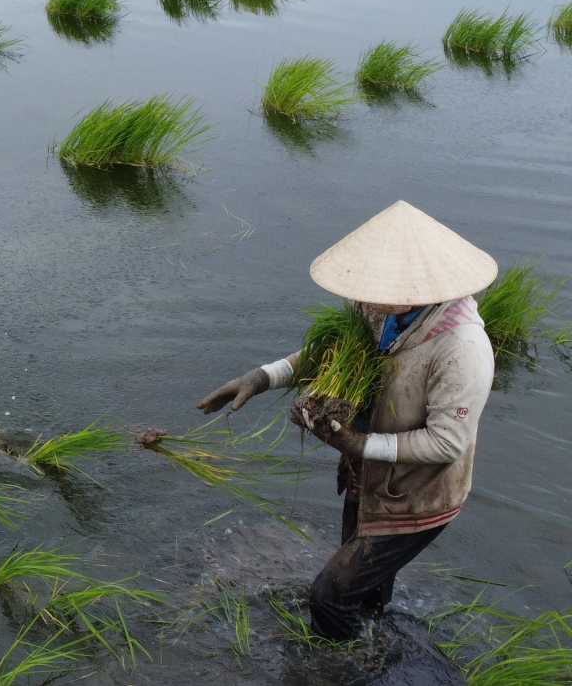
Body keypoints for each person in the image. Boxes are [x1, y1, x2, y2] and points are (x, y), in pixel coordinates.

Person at [197, 201, 497, 640]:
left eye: (380, 286)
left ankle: (341, 666)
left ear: (416, 287)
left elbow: (447, 443)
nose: (363, 297)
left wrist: (358, 444)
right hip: (367, 478)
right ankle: (374, 648)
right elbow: (327, 353)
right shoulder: (380, 309)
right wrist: (262, 378)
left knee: (329, 596)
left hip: (417, 497)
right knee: (365, 594)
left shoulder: (462, 348)